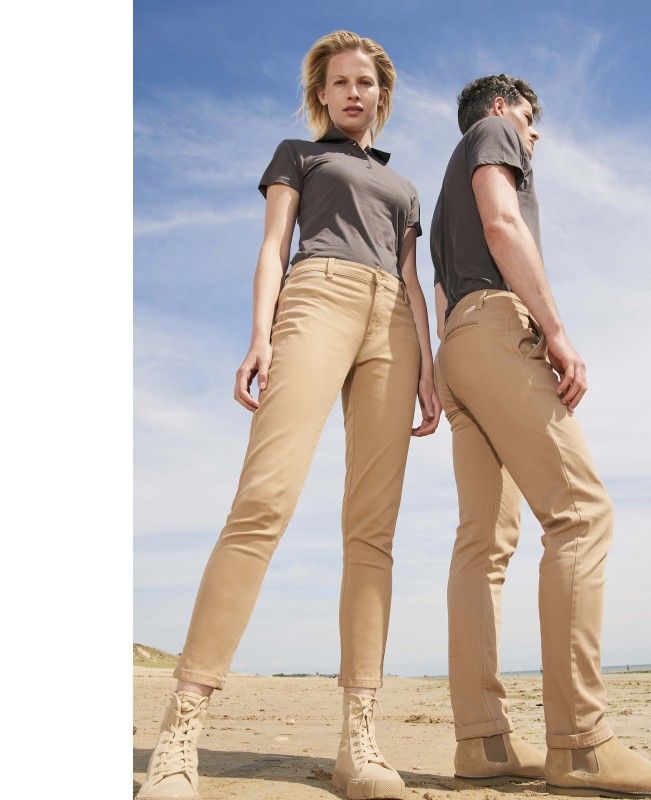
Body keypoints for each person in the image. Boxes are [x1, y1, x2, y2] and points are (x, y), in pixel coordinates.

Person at [137, 30, 441, 800]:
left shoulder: (404, 188)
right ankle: (181, 727)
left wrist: (429, 370)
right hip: (317, 297)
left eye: (365, 82)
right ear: (321, 95)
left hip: (394, 326)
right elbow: (274, 248)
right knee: (264, 501)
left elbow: (412, 278)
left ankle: (358, 740)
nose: (353, 92)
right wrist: (259, 335)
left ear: (381, 95)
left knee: (372, 529)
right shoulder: (298, 156)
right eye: (339, 82)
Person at [430, 74, 651, 797]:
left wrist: (449, 367)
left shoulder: (442, 198)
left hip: (457, 345)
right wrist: (555, 332)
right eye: (531, 120)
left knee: (483, 547)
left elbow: (440, 290)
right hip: (498, 330)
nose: (534, 136)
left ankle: (483, 741)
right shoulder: (492, 132)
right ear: (502, 108)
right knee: (581, 514)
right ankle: (582, 744)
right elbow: (504, 224)